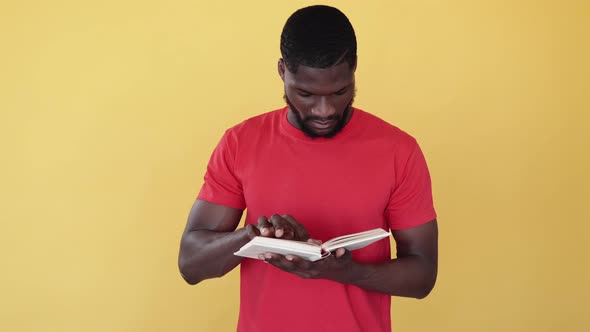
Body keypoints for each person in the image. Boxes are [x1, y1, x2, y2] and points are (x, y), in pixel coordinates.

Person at [178, 5, 438, 332]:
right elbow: (192, 265)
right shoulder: (240, 143)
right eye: (306, 93)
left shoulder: (399, 150)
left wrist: (347, 273)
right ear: (282, 71)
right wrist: (256, 236)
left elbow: (423, 276)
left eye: (340, 91)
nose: (324, 109)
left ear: (354, 69)